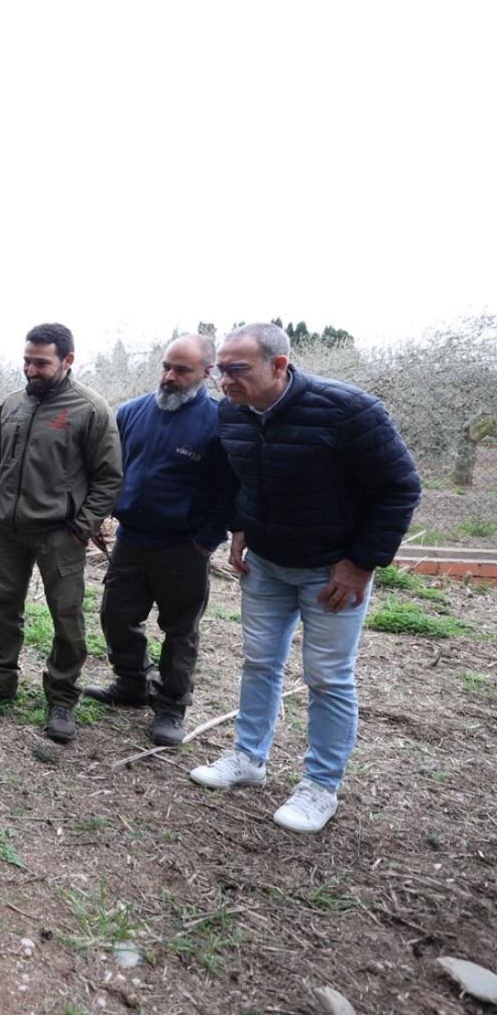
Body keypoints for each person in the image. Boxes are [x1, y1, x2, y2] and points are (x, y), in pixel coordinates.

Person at [188, 322, 420, 833]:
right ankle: (249, 758)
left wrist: (361, 562)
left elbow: (400, 487)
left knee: (328, 678)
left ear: (279, 366)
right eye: (220, 371)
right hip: (266, 564)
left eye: (237, 369)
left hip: (332, 572)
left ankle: (320, 786)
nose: (224, 381)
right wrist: (239, 527)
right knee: (258, 661)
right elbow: (235, 476)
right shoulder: (233, 412)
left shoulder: (349, 411)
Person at [0, 323, 123, 744]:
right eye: (27, 361)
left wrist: (80, 527)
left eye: (41, 363)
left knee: (67, 618)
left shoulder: (90, 409)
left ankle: (62, 697)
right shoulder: (12, 405)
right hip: (5, 530)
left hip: (59, 534)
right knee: (2, 605)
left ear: (67, 361)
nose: (31, 370)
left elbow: (109, 478)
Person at [84, 334, 232, 746]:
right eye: (166, 366)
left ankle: (171, 706)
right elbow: (107, 471)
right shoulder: (130, 413)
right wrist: (99, 514)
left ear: (207, 373)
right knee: (116, 615)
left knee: (180, 629)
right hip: (131, 540)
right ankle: (131, 683)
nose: (169, 376)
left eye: (181, 370)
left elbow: (227, 491)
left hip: (184, 546)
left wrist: (207, 540)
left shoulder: (220, 422)